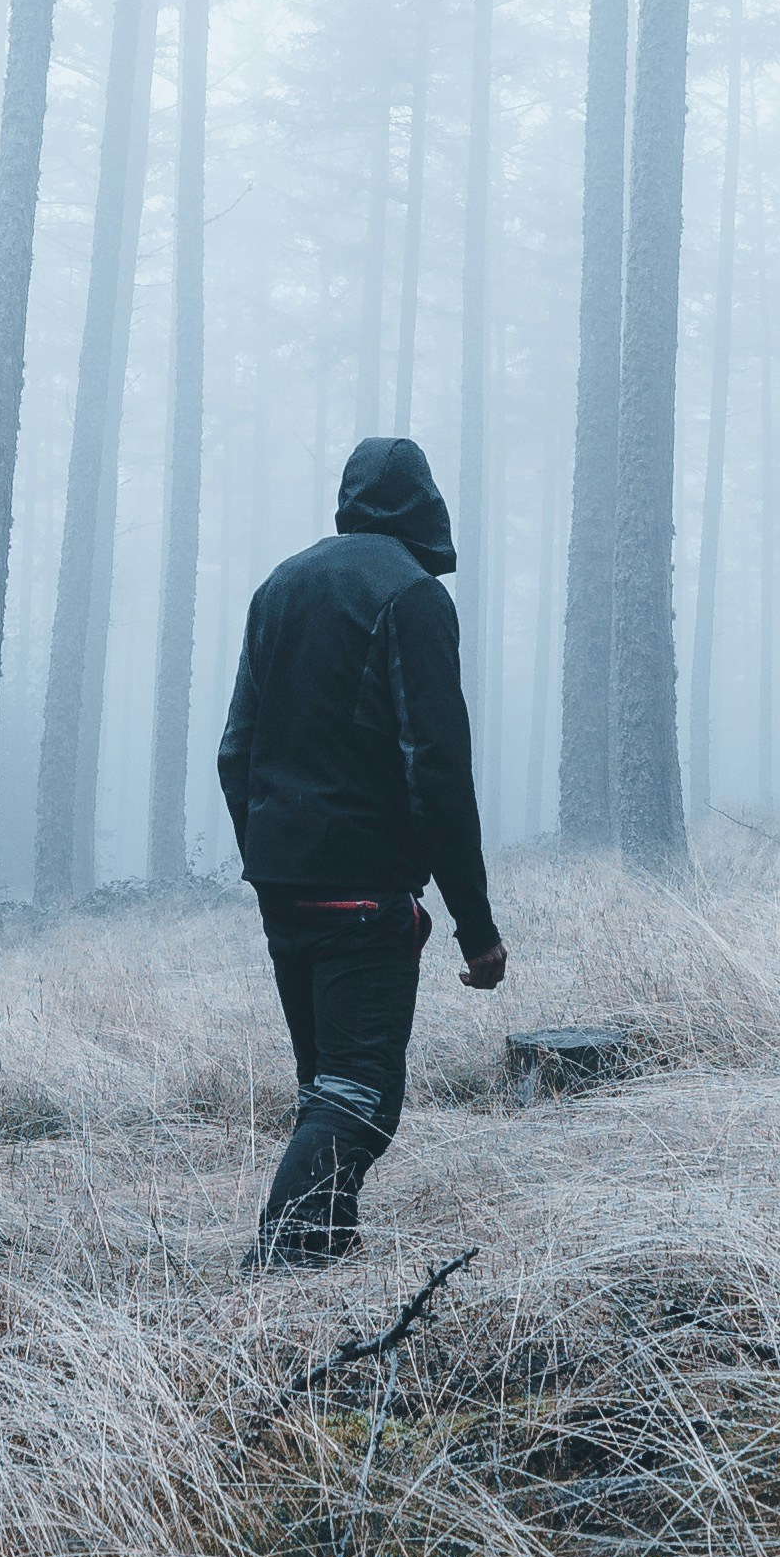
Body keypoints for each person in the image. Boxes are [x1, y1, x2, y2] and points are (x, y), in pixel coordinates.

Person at [211, 428, 506, 1262]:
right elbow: (436, 770)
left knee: (325, 1092)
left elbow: (236, 750)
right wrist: (475, 929)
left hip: (286, 889)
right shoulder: (411, 597)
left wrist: (270, 862)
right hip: (364, 896)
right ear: (425, 506)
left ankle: (323, 1279)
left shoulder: (279, 588)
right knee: (358, 1100)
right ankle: (280, 1277)